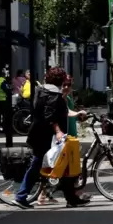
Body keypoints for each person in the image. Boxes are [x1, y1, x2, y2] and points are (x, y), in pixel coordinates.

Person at [14, 67, 90, 209]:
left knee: (63, 163)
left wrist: (76, 114)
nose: (65, 84)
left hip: (37, 134)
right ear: (60, 80)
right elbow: (50, 116)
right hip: (46, 137)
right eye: (63, 80)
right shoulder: (54, 95)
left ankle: (71, 198)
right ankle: (21, 196)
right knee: (37, 165)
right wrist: (58, 131)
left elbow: (60, 112)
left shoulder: (41, 91)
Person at [37, 74, 86, 205]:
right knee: (57, 168)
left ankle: (71, 196)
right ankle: (44, 194)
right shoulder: (56, 98)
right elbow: (61, 114)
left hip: (68, 135)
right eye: (64, 85)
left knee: (65, 168)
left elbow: (67, 111)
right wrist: (76, 114)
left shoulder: (66, 98)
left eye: (68, 85)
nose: (66, 87)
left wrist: (78, 115)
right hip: (58, 137)